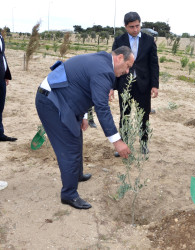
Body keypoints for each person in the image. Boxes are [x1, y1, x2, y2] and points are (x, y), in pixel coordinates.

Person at [35, 46, 134, 209]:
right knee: (69, 147)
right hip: (51, 101)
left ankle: (76, 175)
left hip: (64, 99)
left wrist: (84, 116)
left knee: (76, 137)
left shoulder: (103, 61)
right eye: (128, 66)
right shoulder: (104, 70)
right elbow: (102, 107)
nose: (127, 71)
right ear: (120, 58)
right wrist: (117, 142)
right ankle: (69, 194)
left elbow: (82, 87)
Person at [112, 11, 159, 156]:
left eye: (137, 26)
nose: (135, 29)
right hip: (124, 84)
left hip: (143, 84)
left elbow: (154, 64)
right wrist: (112, 87)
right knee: (124, 115)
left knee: (143, 115)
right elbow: (113, 64)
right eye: (131, 26)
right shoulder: (119, 40)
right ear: (125, 26)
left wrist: (155, 85)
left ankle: (144, 143)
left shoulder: (149, 40)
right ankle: (123, 145)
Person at [0, 33, 17, 142]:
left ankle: (0, 134)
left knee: (0, 107)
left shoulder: (0, 37)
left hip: (1, 77)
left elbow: (2, 56)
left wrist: (6, 74)